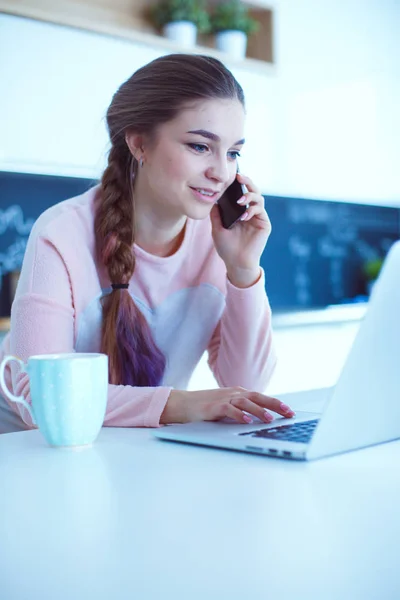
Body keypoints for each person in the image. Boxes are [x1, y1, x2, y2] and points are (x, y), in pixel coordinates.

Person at [0, 53, 295, 433]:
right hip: (28, 450)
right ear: (140, 144)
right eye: (200, 146)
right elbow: (38, 397)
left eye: (233, 152)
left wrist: (243, 271)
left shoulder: (220, 241)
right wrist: (182, 403)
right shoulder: (61, 232)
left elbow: (247, 389)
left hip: (139, 448)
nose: (221, 172)